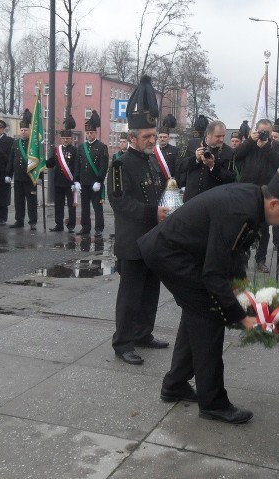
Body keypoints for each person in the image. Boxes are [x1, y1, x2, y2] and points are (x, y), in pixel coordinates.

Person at [138, 147, 279, 423]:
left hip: (180, 252)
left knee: (196, 315)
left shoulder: (253, 201)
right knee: (209, 317)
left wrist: (240, 287)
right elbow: (213, 273)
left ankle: (175, 384)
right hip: (170, 255)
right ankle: (213, 403)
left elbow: (235, 251)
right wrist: (241, 317)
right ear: (274, 204)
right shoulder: (240, 211)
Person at [107, 75, 170, 366]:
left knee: (150, 291)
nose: (151, 140)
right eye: (146, 137)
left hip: (153, 239)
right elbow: (120, 201)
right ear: (132, 137)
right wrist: (152, 213)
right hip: (132, 241)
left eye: (153, 136)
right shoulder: (121, 163)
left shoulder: (151, 161)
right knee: (130, 295)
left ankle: (144, 333)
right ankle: (123, 342)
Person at [232, 118, 279, 272]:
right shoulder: (249, 145)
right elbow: (236, 155)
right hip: (247, 191)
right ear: (255, 130)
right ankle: (242, 258)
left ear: (271, 133)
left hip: (267, 192)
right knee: (244, 228)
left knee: (264, 229)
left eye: (267, 132)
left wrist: (266, 148)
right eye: (261, 131)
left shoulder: (277, 146)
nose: (264, 134)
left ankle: (260, 260)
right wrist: (250, 141)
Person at [180, 120, 235, 202]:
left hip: (213, 200)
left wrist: (213, 166)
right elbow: (180, 167)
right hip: (191, 199)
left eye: (223, 136)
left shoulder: (228, 151)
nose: (222, 139)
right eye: (218, 136)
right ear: (208, 134)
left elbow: (230, 179)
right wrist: (195, 159)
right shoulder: (192, 144)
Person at [76, 110, 108, 237]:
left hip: (95, 183)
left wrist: (99, 181)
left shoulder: (102, 147)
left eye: (91, 133)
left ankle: (99, 228)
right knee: (85, 208)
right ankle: (85, 227)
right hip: (84, 182)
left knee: (97, 208)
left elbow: (103, 166)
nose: (89, 135)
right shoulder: (81, 147)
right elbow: (77, 165)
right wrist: (76, 180)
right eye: (87, 133)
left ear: (95, 133)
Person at [7, 110, 38, 230]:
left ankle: (32, 222)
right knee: (18, 201)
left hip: (30, 177)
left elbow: (38, 161)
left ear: (29, 130)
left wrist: (39, 177)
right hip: (18, 177)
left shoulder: (34, 143)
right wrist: (8, 174)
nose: (23, 132)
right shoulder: (16, 143)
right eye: (22, 130)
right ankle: (19, 220)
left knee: (31, 201)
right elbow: (11, 159)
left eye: (25, 130)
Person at [45, 123, 77, 232]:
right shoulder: (56, 150)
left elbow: (77, 167)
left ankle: (71, 225)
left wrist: (76, 181)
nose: (66, 140)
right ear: (61, 139)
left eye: (68, 138)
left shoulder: (75, 150)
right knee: (58, 205)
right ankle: (59, 224)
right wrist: (42, 162)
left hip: (70, 183)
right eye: (64, 138)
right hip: (58, 182)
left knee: (71, 206)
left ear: (71, 139)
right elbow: (51, 163)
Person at [0, 118, 13, 225]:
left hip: (3, 171)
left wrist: (9, 173)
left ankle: (3, 217)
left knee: (3, 196)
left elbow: (8, 158)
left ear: (3, 129)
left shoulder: (9, 141)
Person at [156, 114, 179, 181]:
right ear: (158, 138)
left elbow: (177, 168)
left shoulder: (175, 150)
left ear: (168, 138)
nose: (162, 139)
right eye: (160, 137)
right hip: (157, 182)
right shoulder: (153, 151)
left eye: (165, 137)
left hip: (170, 182)